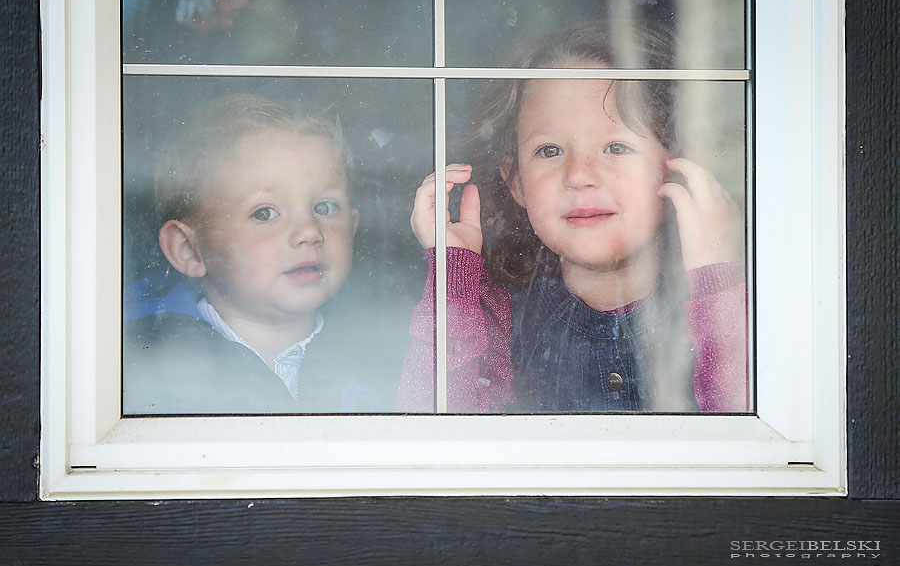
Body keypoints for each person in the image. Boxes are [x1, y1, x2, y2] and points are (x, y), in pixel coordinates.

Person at [399, 21, 748, 413]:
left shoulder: (723, 301)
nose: (579, 175)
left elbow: (754, 424)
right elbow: (430, 426)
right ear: (516, 181)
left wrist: (718, 276)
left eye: (616, 147)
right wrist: (453, 279)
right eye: (550, 151)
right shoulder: (498, 317)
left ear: (674, 166)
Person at [124, 93, 395, 414]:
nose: (310, 231)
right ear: (189, 250)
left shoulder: (382, 351)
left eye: (324, 207)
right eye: (265, 213)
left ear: (353, 226)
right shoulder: (144, 362)